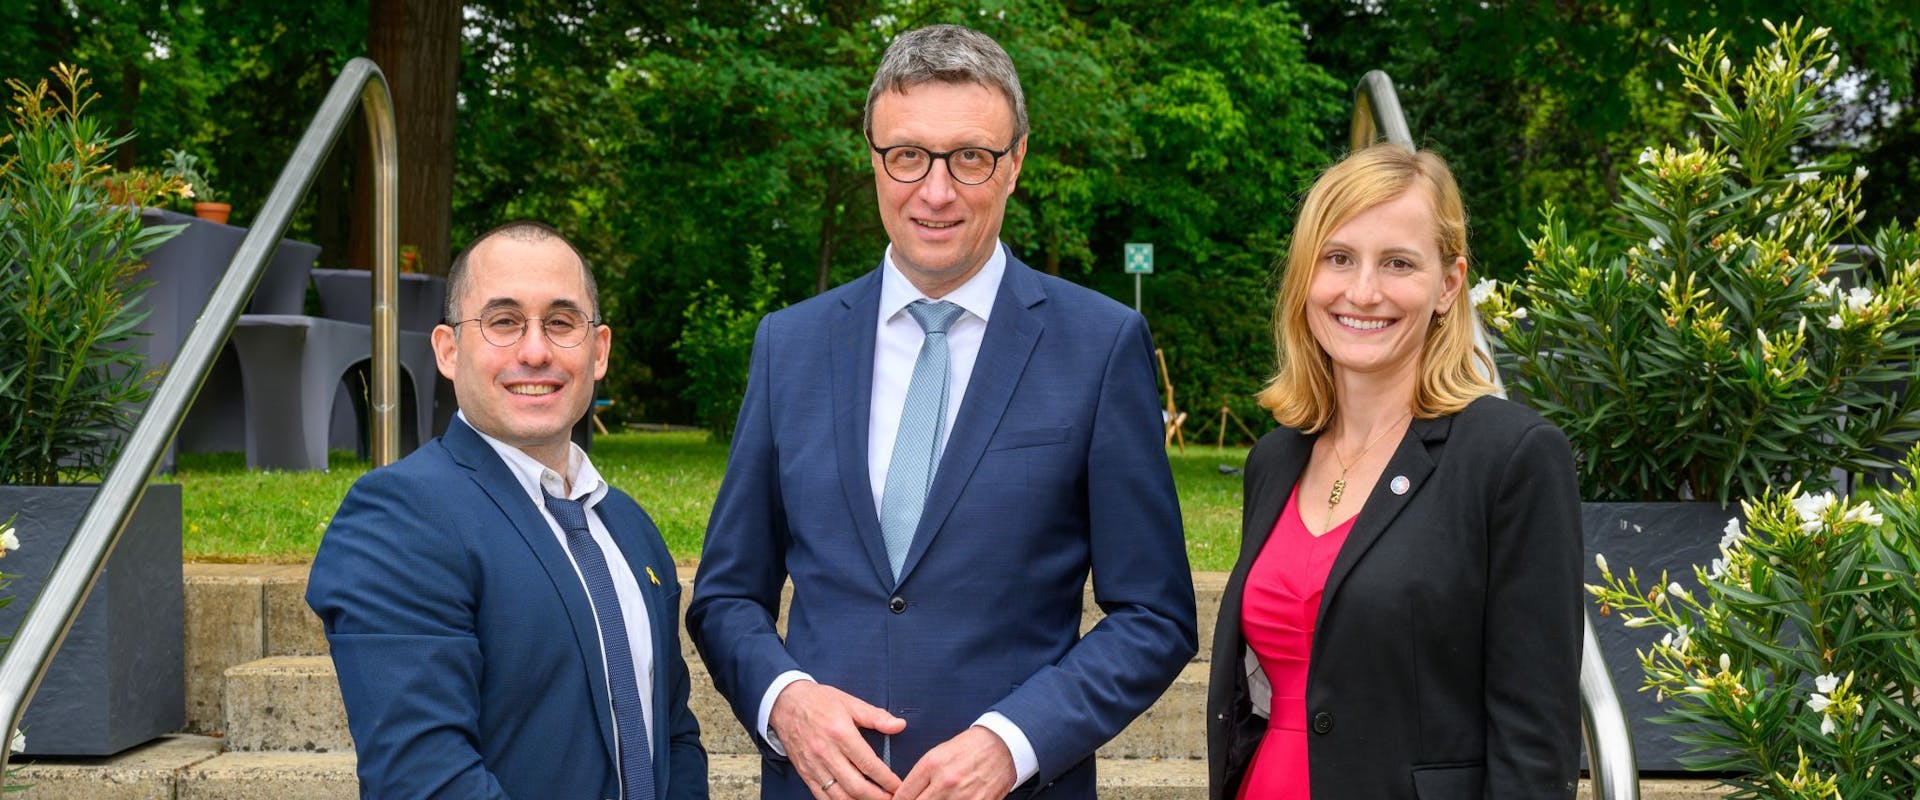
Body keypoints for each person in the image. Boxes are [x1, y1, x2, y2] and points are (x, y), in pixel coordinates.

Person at [687, 24, 1197, 800]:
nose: (935, 190)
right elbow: (725, 595)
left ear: (1015, 162)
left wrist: (1013, 742)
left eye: (970, 157)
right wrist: (785, 702)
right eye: (908, 156)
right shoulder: (788, 345)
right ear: (874, 159)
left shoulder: (1099, 345)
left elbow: (1155, 616)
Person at [1205, 144, 1583, 799]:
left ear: (1448, 285)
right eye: (1338, 258)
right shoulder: (1276, 459)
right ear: (1305, 277)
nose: (1362, 291)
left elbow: (1536, 742)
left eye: (1398, 263)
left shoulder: (1512, 459)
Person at [307, 221, 708, 799]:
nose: (536, 350)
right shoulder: (400, 518)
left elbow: (672, 736)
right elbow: (423, 779)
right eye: (503, 322)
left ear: (598, 352)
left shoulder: (630, 530)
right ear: (448, 350)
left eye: (562, 322)